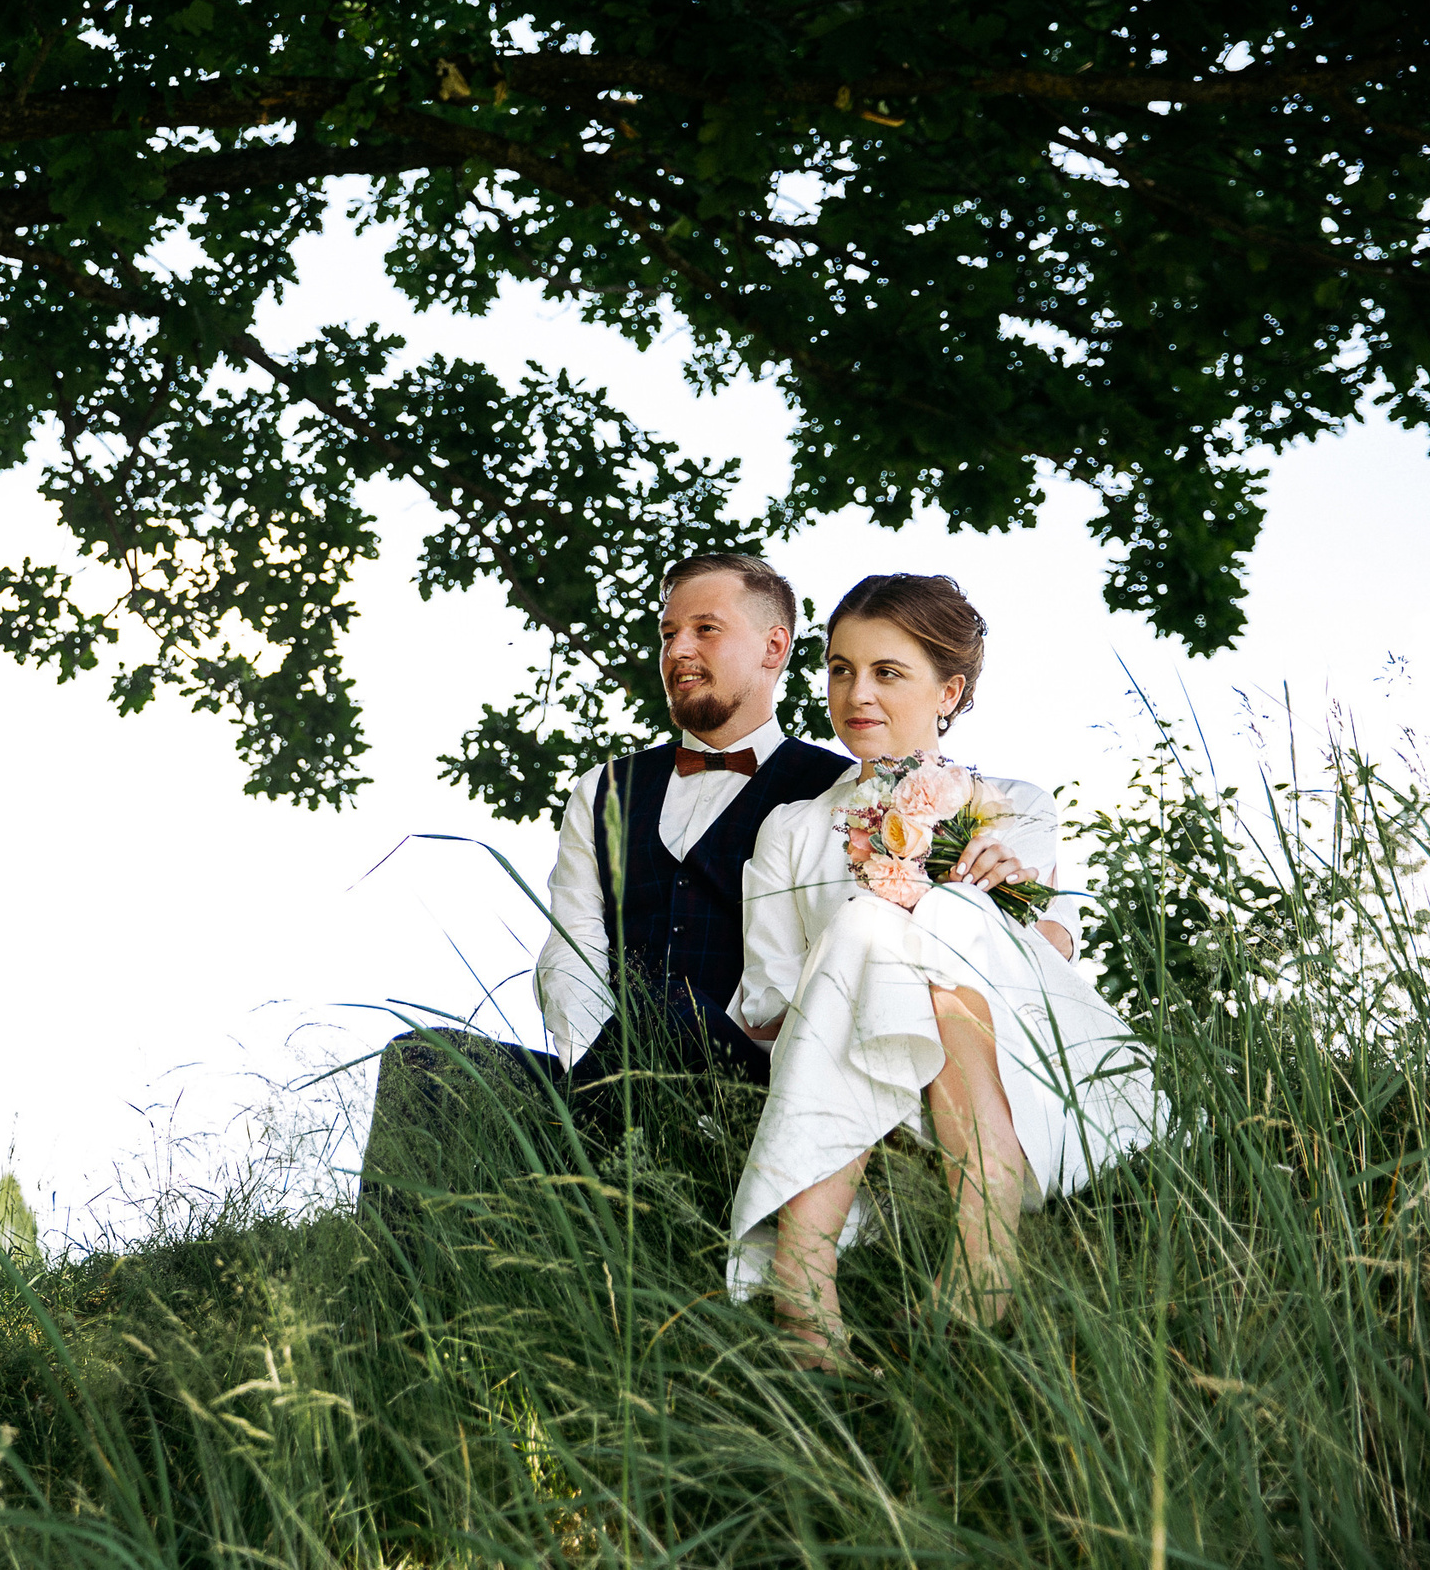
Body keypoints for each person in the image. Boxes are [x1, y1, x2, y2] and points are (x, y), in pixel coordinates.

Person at [355, 554, 1042, 1229]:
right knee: (424, 1063)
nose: (678, 649)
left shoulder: (843, 794)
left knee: (669, 1014)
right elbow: (570, 954)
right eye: (667, 633)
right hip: (610, 1068)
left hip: (764, 1069)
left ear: (775, 646)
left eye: (705, 629)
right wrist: (610, 1085)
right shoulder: (602, 790)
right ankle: (395, 1319)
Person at [725, 574, 1162, 1368]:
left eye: (887, 672)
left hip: (1008, 1056)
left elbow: (1049, 957)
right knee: (866, 921)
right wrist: (862, 988)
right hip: (850, 1073)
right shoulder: (789, 828)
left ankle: (803, 1275)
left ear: (948, 689)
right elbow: (767, 1002)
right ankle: (980, 1250)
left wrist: (999, 897)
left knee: (944, 912)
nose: (856, 692)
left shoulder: (1010, 805)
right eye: (840, 667)